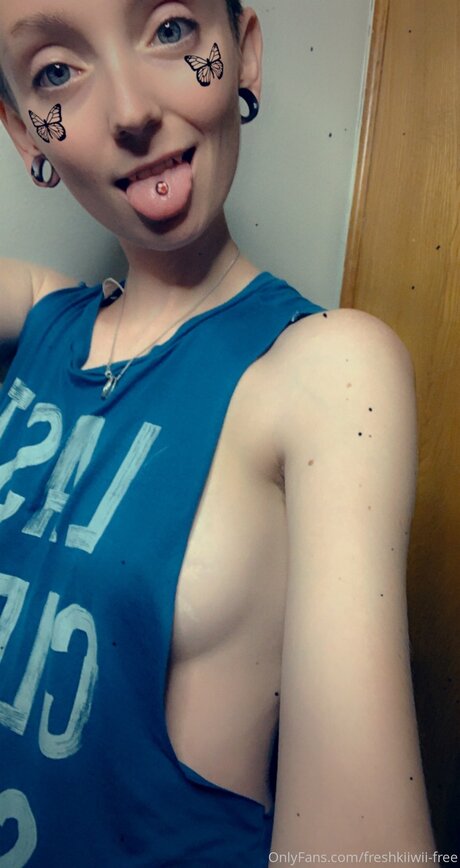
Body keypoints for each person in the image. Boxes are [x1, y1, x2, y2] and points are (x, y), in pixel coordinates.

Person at [0, 0, 436, 865]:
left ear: (244, 54)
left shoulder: (326, 370)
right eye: (56, 72)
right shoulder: (40, 319)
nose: (131, 110)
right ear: (23, 133)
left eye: (169, 28)